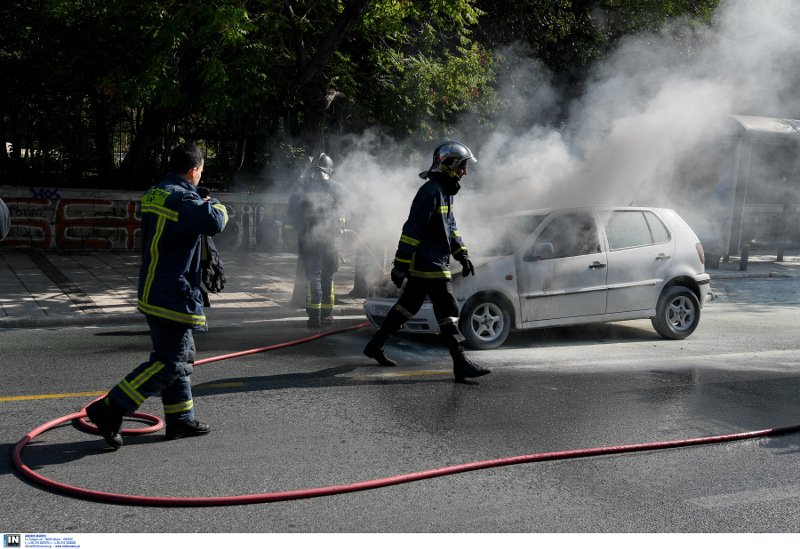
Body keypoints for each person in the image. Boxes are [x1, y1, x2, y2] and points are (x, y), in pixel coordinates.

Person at [85, 142, 228, 450]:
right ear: (193, 171)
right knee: (170, 361)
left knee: (181, 358)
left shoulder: (156, 192)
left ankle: (180, 420)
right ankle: (110, 408)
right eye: (201, 172)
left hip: (156, 287)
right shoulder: (183, 198)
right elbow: (215, 221)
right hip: (173, 292)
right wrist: (215, 202)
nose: (201, 177)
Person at [363, 141, 491, 383]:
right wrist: (400, 265)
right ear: (450, 165)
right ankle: (460, 362)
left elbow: (450, 227)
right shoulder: (430, 192)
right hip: (429, 263)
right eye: (463, 166)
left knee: (407, 306)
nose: (465, 172)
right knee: (448, 309)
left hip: (434, 260)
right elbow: (411, 231)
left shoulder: (444, 192)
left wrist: (461, 253)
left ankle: (375, 344)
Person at [284, 153, 347, 328]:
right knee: (328, 278)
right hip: (331, 242)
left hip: (309, 241)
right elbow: (346, 211)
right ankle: (327, 315)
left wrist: (289, 235)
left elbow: (292, 211)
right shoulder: (339, 188)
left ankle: (314, 317)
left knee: (314, 278)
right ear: (330, 169)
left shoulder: (304, 187)